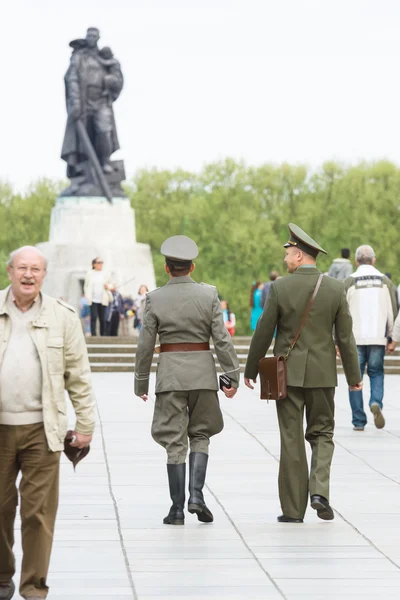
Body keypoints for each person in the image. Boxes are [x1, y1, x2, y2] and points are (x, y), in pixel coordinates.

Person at [244, 224, 361, 524]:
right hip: (323, 375)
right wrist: (353, 377)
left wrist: (251, 368)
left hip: (287, 375)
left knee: (291, 438)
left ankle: (293, 510)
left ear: (298, 255)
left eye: (287, 255)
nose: (285, 260)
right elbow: (345, 338)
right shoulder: (336, 289)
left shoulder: (281, 288)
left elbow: (263, 331)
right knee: (323, 433)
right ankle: (319, 492)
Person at [0, 246, 95, 600]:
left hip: (44, 430)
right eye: (22, 268)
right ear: (9, 271)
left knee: (38, 514)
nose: (28, 275)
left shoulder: (62, 315)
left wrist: (85, 425)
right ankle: (1, 576)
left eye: (35, 269)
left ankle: (34, 587)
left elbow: (79, 376)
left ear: (44, 275)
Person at [134, 235, 239, 526]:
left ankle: (177, 509)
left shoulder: (154, 298)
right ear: (192, 267)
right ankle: (196, 495)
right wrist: (232, 376)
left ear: (167, 268)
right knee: (201, 435)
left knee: (174, 441)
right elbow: (222, 339)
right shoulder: (209, 295)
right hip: (203, 376)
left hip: (170, 377)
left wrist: (141, 382)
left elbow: (145, 344)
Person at [344, 245, 397, 431]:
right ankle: (376, 402)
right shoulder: (385, 282)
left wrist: (338, 341)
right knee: (376, 373)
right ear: (374, 260)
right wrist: (392, 337)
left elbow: (341, 314)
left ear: (356, 261)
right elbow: (393, 311)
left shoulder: (349, 282)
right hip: (377, 337)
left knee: (354, 379)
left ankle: (358, 420)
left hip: (354, 339)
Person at [61, 27, 123, 178]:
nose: (91, 38)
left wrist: (112, 80)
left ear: (98, 38)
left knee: (104, 131)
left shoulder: (105, 58)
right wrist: (75, 102)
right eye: (89, 35)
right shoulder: (79, 57)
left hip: (101, 100)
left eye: (94, 35)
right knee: (85, 137)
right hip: (83, 102)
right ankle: (86, 170)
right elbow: (72, 78)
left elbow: (118, 79)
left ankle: (104, 162)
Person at [84, 257, 111, 336]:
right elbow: (86, 286)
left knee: (102, 319)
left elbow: (111, 285)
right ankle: (94, 335)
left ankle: (103, 335)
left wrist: (108, 286)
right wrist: (87, 296)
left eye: (101, 262)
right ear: (94, 264)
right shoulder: (90, 274)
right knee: (94, 317)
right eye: (99, 262)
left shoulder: (105, 273)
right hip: (93, 299)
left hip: (103, 299)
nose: (100, 264)